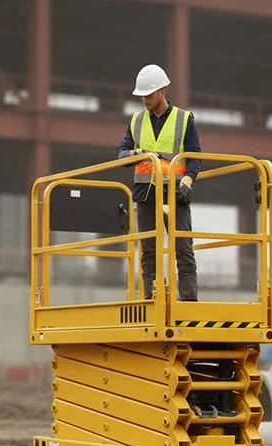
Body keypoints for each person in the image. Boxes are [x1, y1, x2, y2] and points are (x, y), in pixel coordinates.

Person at [116, 64, 202, 301]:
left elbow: (194, 156)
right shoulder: (136, 121)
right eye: (142, 96)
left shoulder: (184, 120)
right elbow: (121, 151)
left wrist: (187, 180)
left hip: (176, 192)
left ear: (163, 92)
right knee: (148, 251)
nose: (144, 100)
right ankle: (150, 300)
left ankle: (188, 302)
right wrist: (133, 155)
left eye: (149, 95)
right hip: (146, 193)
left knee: (183, 248)